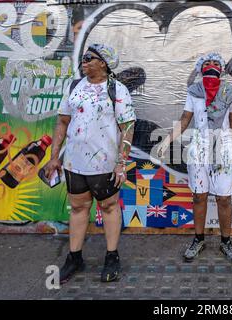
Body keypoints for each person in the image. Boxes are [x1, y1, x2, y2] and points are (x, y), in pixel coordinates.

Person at [44, 44, 136, 283]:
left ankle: (112, 256)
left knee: (108, 207)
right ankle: (74, 258)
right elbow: (62, 122)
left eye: (89, 58)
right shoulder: (74, 86)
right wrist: (54, 157)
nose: (83, 62)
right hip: (74, 163)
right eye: (83, 58)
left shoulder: (117, 89)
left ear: (103, 63)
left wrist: (121, 162)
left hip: (104, 164)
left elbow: (127, 127)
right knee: (78, 208)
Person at [158, 52, 232, 264]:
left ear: (221, 68)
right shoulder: (194, 92)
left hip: (223, 148)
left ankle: (226, 241)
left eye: (215, 63)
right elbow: (185, 120)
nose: (211, 65)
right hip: (199, 147)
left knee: (223, 198)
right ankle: (198, 239)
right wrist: (166, 141)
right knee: (199, 196)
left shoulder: (229, 92)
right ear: (200, 68)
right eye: (206, 63)